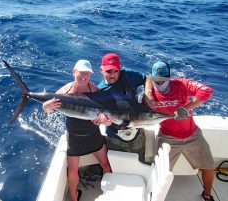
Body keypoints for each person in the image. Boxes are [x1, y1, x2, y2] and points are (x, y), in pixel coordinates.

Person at [42, 59, 111, 201]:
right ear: (74, 72)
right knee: (72, 170)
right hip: (74, 138)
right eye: (81, 72)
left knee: (106, 166)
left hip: (93, 135)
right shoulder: (64, 91)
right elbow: (47, 108)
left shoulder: (96, 91)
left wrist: (105, 119)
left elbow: (108, 119)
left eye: (87, 73)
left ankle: (108, 195)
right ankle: (74, 198)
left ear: (90, 75)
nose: (84, 76)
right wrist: (46, 107)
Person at [149, 61, 215, 201]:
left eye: (163, 80)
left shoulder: (180, 84)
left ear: (169, 77)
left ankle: (207, 195)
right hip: (167, 138)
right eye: (157, 80)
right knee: (161, 172)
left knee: (209, 165)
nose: (160, 84)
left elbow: (207, 91)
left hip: (192, 134)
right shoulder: (149, 92)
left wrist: (187, 108)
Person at [98, 53, 154, 163]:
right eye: (108, 71)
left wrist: (148, 94)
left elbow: (147, 78)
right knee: (117, 165)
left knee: (139, 163)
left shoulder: (128, 75)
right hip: (114, 136)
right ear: (101, 70)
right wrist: (102, 120)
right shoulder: (100, 91)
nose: (113, 75)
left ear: (120, 68)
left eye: (116, 71)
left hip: (137, 132)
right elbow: (99, 114)